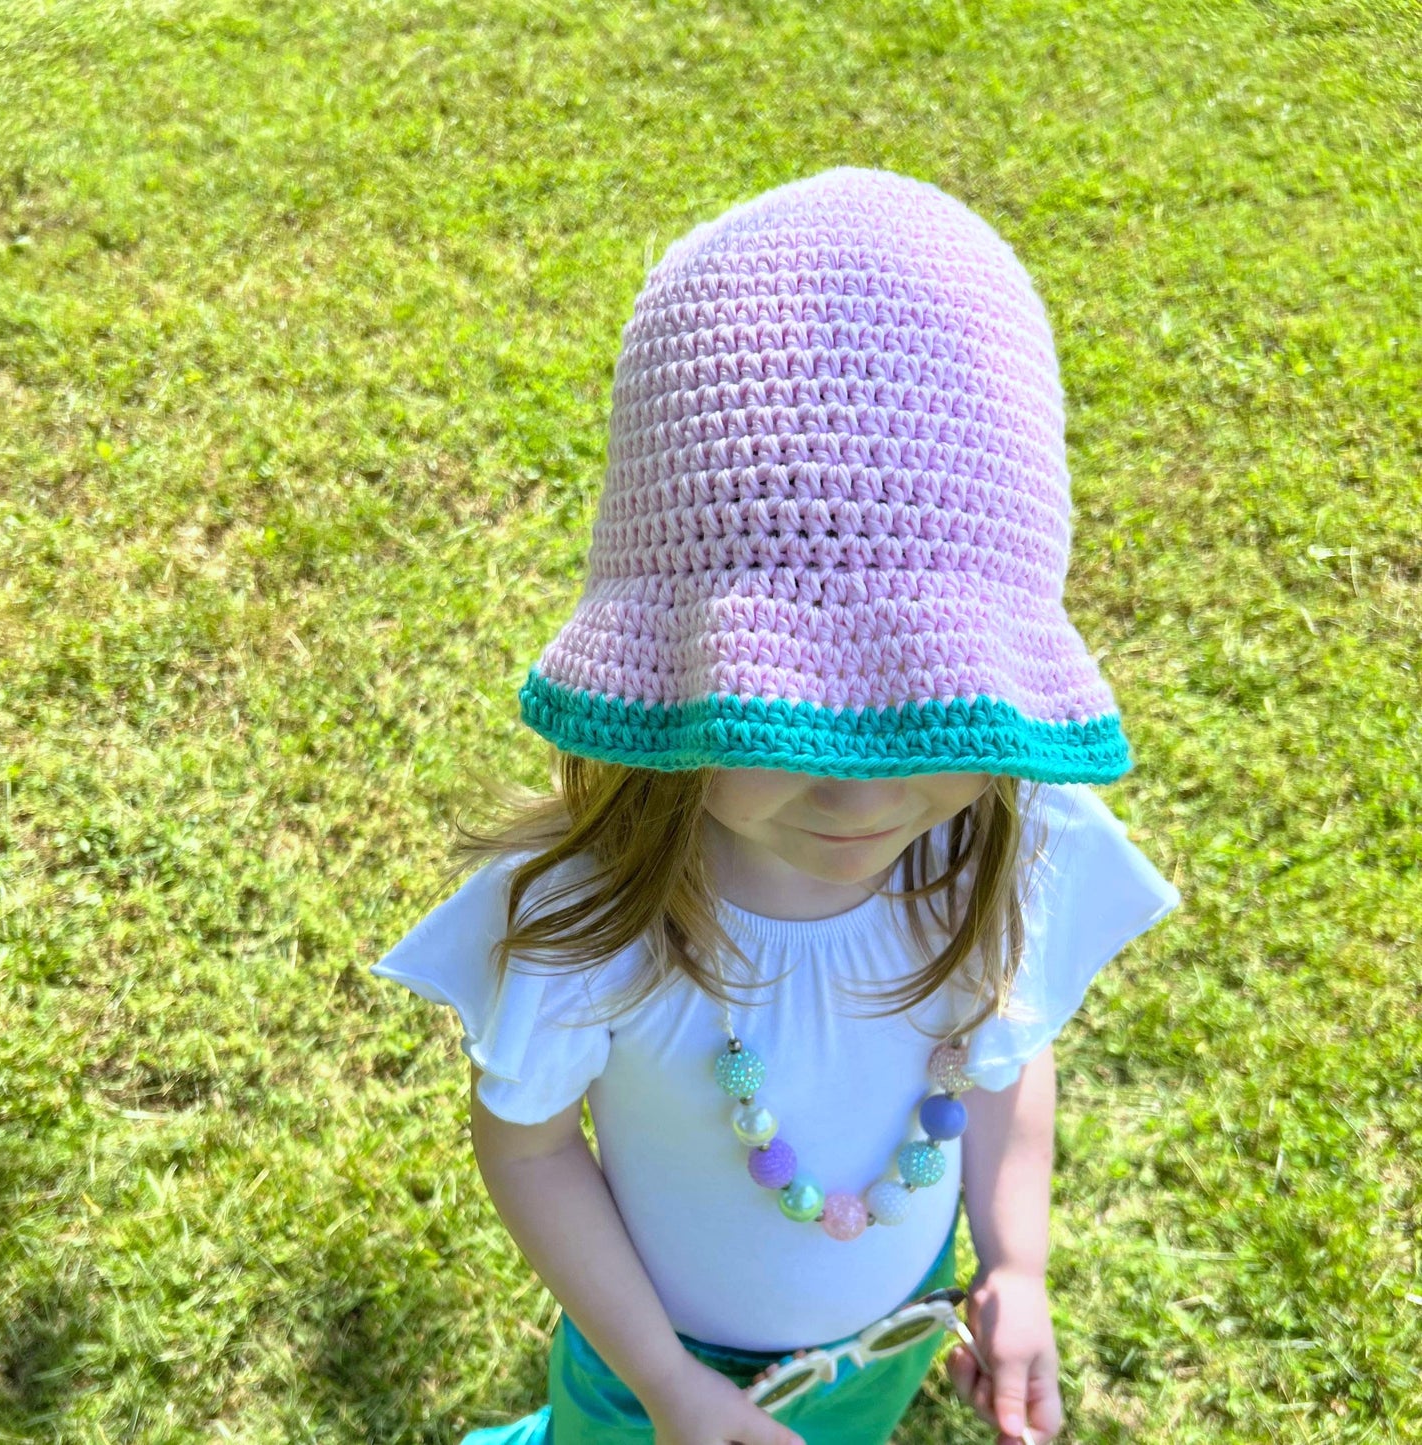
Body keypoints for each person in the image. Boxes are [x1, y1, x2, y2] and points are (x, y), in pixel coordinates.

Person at [370, 166, 1181, 1445]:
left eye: (926, 703)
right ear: (678, 673)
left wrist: (1013, 1263)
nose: (862, 788)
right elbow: (526, 1147)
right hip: (659, 1368)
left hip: (890, 1328)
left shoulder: (1006, 853)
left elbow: (1004, 1053)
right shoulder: (604, 920)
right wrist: (664, 1382)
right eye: (787, 708)